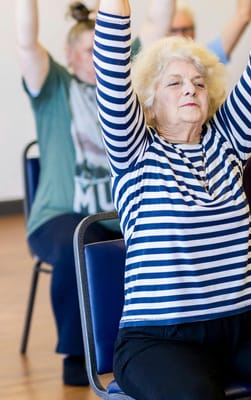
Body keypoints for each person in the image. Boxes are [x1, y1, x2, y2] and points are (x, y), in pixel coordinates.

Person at [94, 0, 251, 398]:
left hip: (240, 330)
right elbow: (110, 71)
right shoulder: (135, 153)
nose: (190, 89)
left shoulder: (227, 143)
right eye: (174, 83)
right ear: (148, 103)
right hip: (158, 339)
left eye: (197, 82)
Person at [15, 0, 173, 386]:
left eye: (102, 46)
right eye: (89, 49)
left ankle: (160, 344)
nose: (97, 55)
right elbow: (26, 43)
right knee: (79, 241)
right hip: (60, 217)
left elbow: (161, 22)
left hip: (119, 215)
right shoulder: (53, 85)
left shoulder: (124, 89)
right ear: (69, 56)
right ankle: (77, 356)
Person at [168, 0, 251, 294]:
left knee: (247, 166)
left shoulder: (202, 61)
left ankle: (249, 258)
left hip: (208, 156)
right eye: (175, 29)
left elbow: (244, 16)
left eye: (187, 28)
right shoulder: (153, 66)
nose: (182, 35)